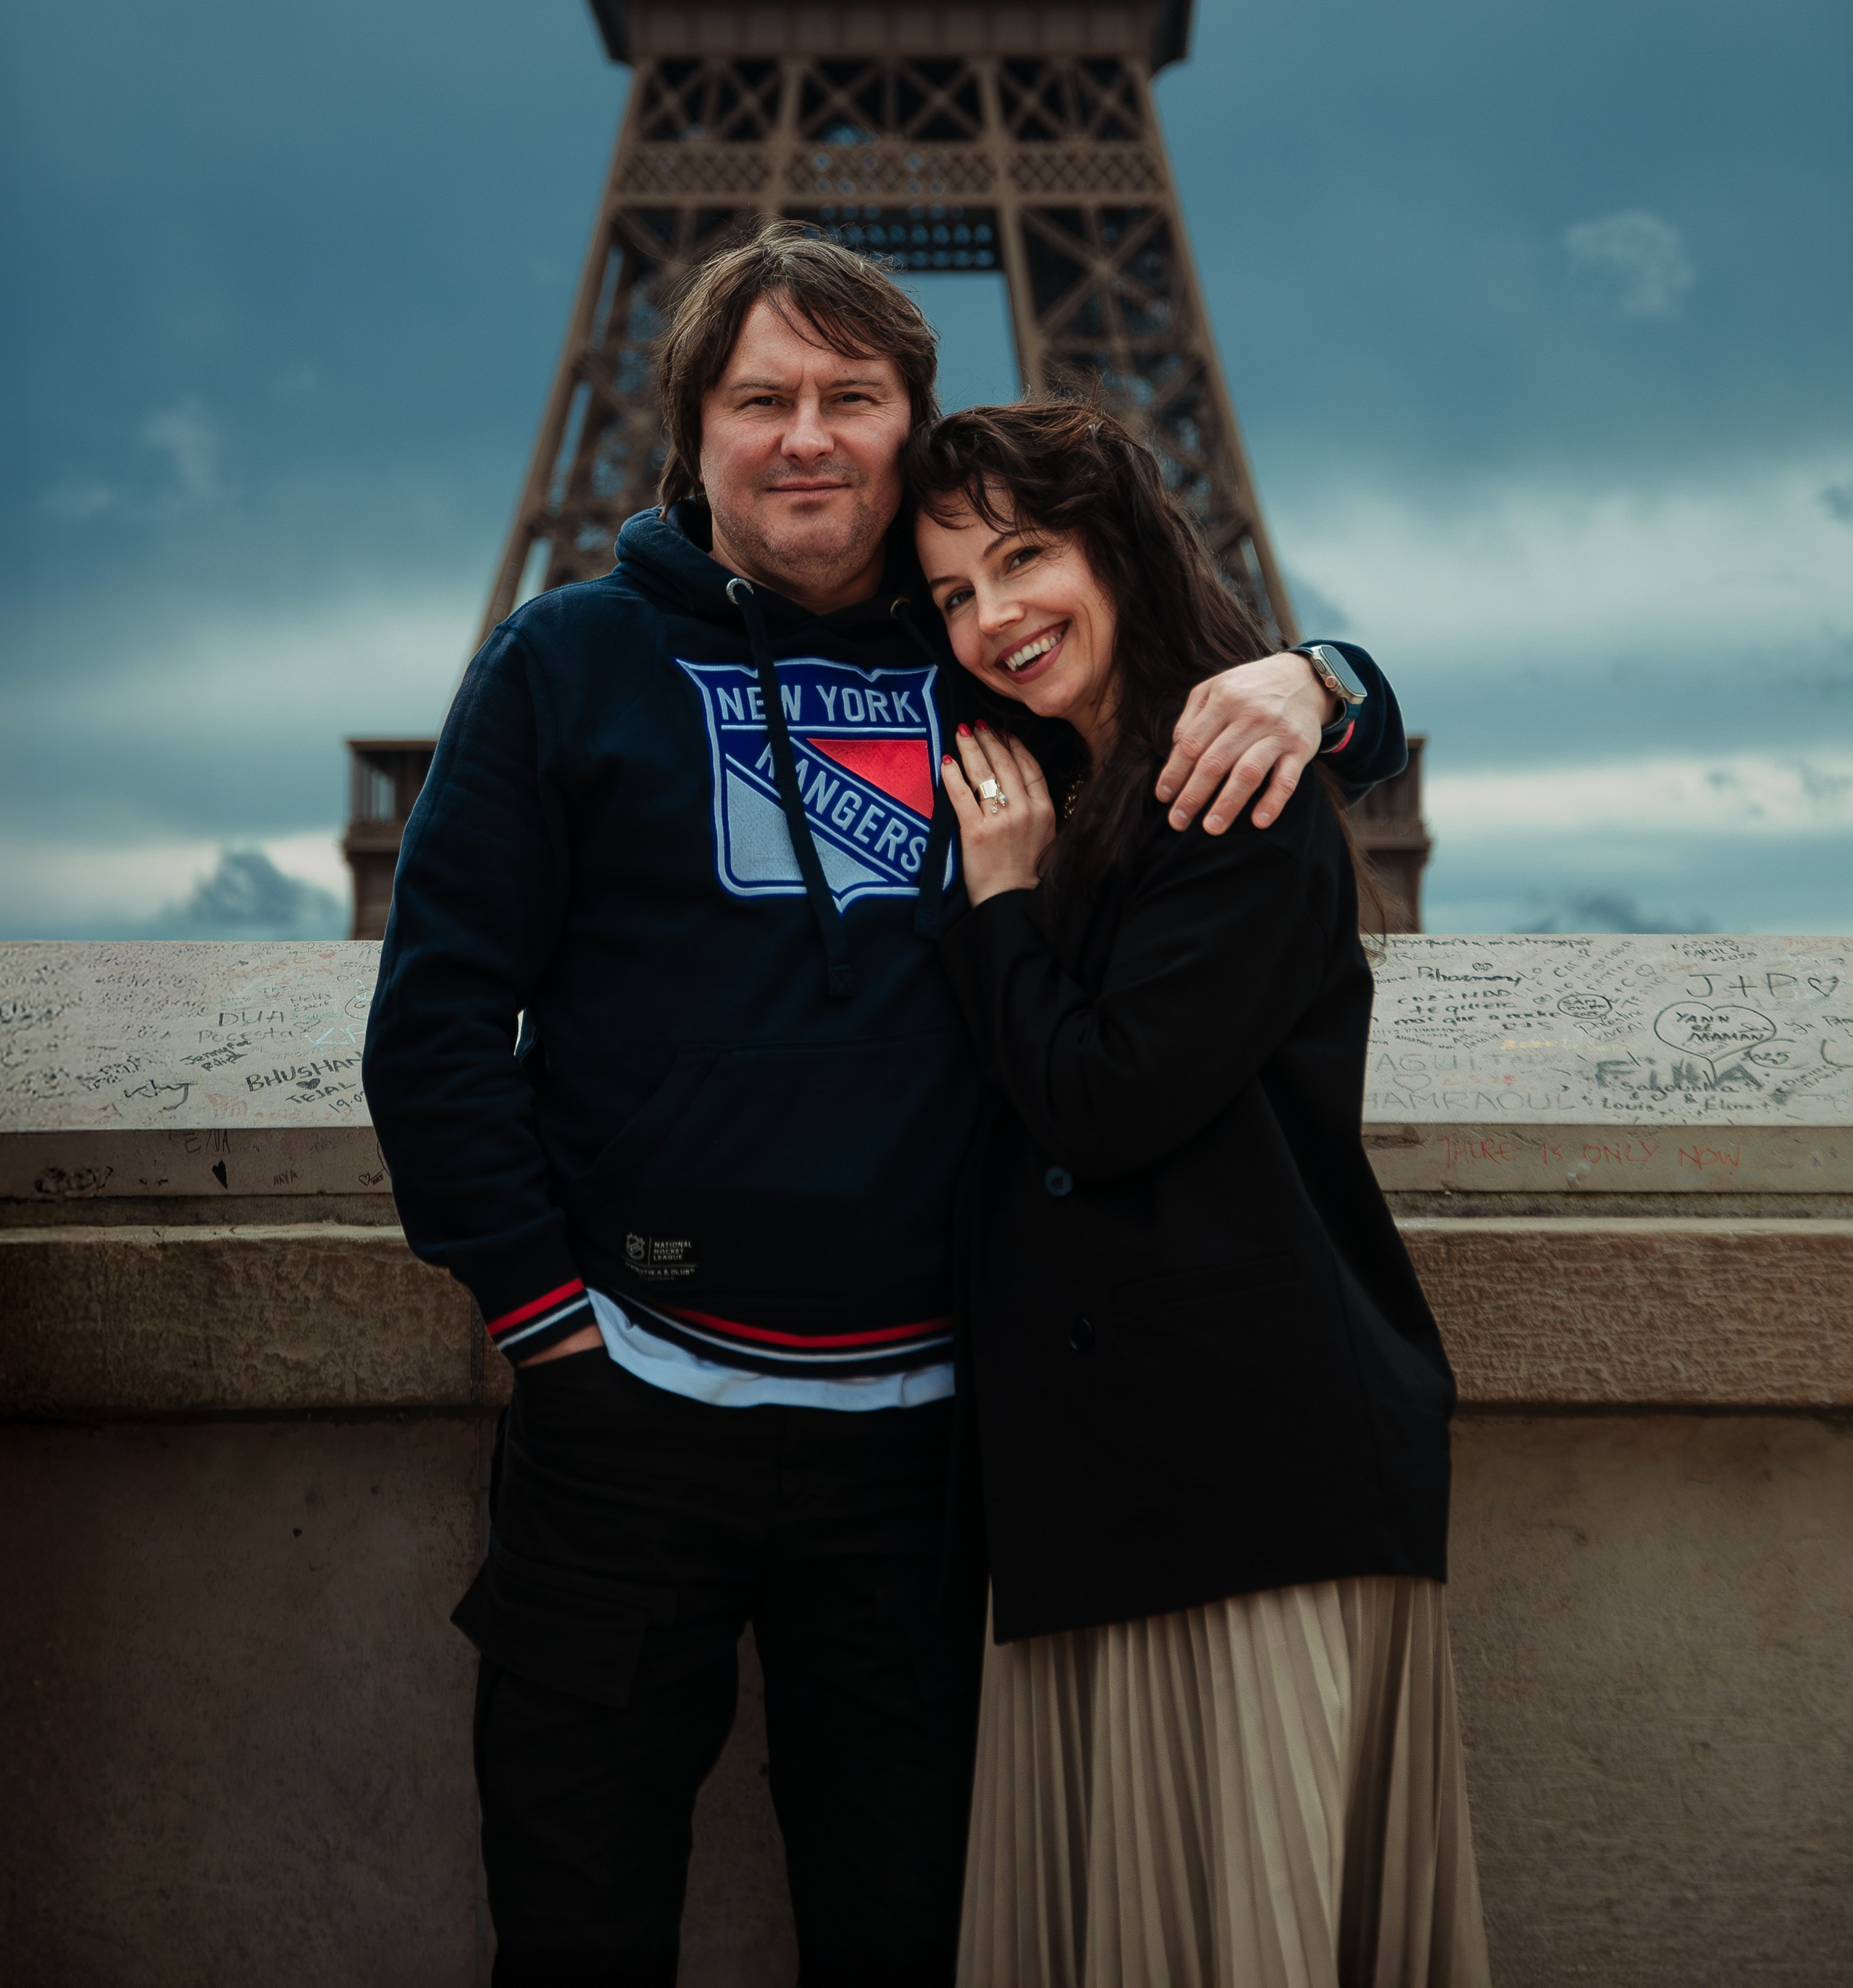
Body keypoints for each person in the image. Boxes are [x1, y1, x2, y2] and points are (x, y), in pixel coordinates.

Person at [361, 226, 1413, 1988]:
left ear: (907, 428)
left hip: (924, 1448)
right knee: (574, 1916)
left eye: (850, 397)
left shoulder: (982, 659)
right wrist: (551, 1327)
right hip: (627, 1417)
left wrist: (1328, 681)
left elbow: (1178, 698)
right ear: (684, 428)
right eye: (758, 396)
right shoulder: (564, 660)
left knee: (903, 1930)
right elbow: (439, 1016)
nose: (804, 435)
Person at [913, 400, 1487, 1988]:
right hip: (1113, 1483)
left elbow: (1102, 1100)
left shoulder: (1217, 792)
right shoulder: (1062, 784)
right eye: (954, 590)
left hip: (1238, 1475)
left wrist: (1003, 901)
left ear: (1116, 544)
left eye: (1023, 555)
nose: (992, 614)